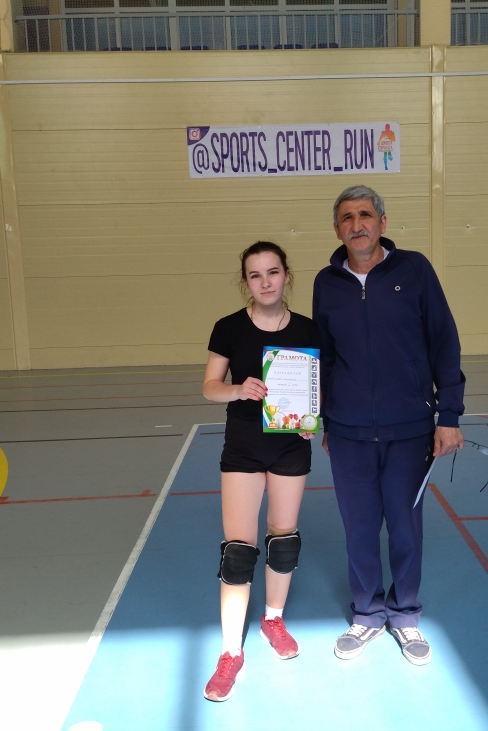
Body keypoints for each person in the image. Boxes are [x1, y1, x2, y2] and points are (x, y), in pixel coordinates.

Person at [312, 186, 466, 666]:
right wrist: (323, 418)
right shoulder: (326, 283)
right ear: (337, 229)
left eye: (365, 214)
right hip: (349, 431)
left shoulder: (414, 269)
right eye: (346, 217)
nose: (356, 224)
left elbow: (444, 342)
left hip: (410, 429)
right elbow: (324, 357)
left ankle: (404, 615)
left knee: (405, 528)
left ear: (382, 221)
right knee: (358, 528)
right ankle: (366, 613)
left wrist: (449, 415)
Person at [201, 241, 319, 701]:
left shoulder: (310, 329)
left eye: (273, 272)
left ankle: (273, 619)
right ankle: (231, 651)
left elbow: (318, 387)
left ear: (286, 275)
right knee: (238, 550)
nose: (265, 281)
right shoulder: (228, 327)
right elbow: (209, 387)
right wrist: (237, 389)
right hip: (244, 447)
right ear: (245, 281)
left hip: (290, 446)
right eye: (255, 275)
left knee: (284, 540)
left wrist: (311, 418)